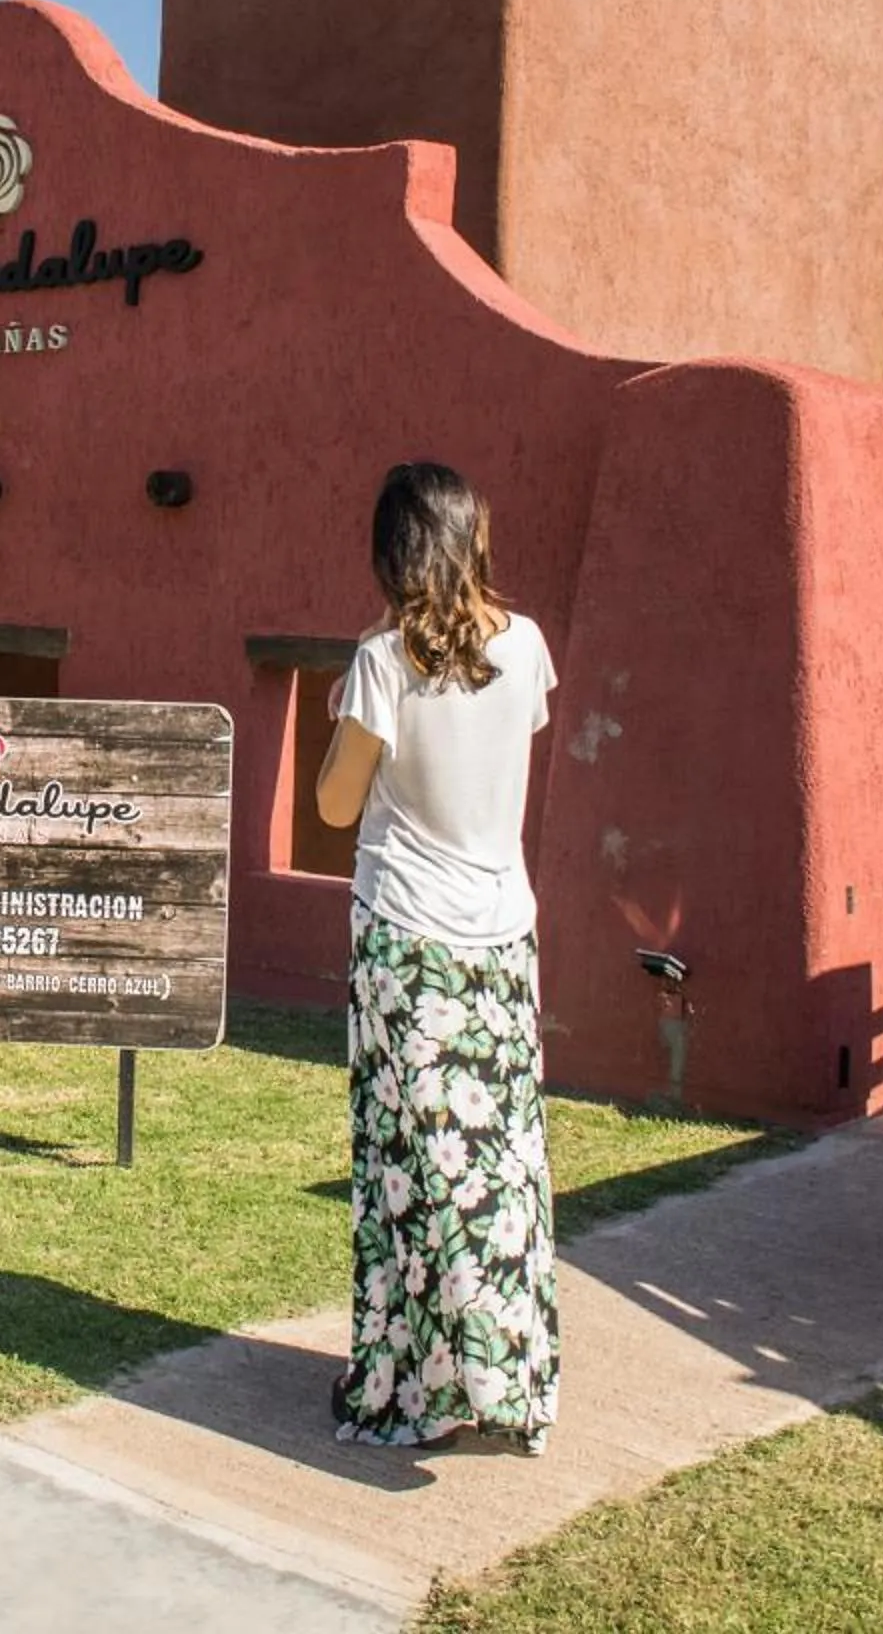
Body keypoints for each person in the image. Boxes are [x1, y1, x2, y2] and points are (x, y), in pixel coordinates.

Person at [314, 460, 559, 1454]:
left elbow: (335, 803)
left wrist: (346, 706)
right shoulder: (530, 644)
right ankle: (512, 1370)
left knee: (408, 1163)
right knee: (500, 1157)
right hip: (501, 931)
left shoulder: (383, 660)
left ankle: (404, 1378)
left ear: (392, 550)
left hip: (408, 938)